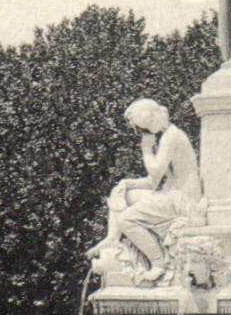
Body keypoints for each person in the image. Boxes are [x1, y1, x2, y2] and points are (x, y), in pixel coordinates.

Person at [87, 99, 205, 284]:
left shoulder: (171, 137)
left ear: (153, 118)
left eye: (145, 128)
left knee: (126, 218)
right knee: (122, 193)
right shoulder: (167, 135)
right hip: (172, 195)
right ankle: (112, 238)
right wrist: (127, 183)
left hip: (182, 200)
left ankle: (159, 262)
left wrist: (146, 150)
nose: (146, 133)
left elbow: (156, 172)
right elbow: (152, 182)